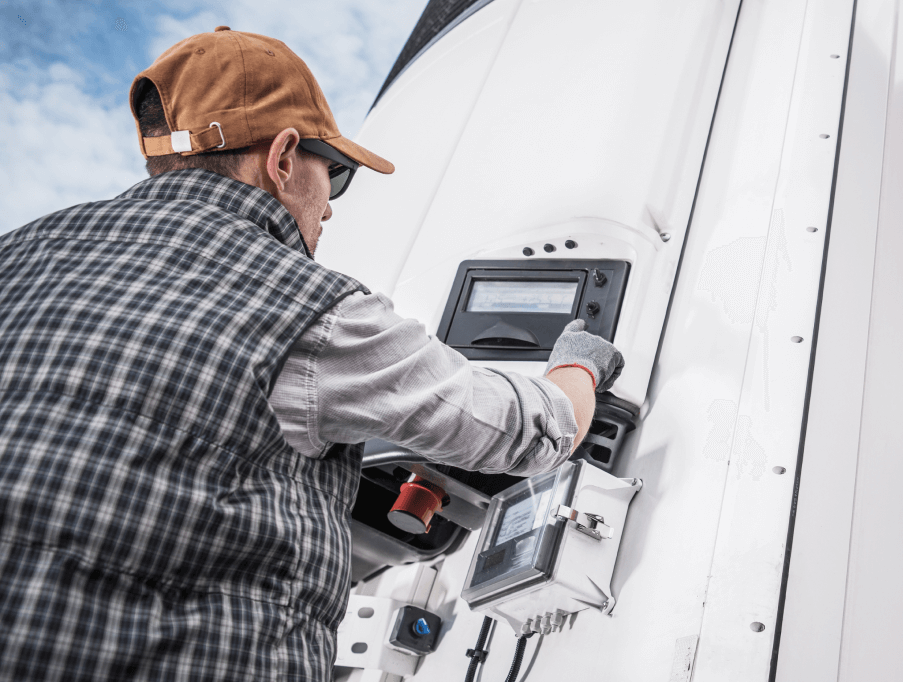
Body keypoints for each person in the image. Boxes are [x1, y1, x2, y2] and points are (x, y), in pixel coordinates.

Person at [0, 27, 623, 681]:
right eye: (337, 175)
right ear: (283, 157)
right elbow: (531, 430)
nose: (328, 209)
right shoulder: (303, 305)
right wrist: (578, 364)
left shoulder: (17, 254)